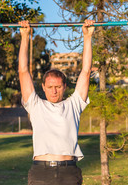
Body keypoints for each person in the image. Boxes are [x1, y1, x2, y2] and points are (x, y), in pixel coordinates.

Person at [18, 19, 95, 185]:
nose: (54, 90)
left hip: (69, 172)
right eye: (50, 86)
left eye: (58, 87)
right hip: (41, 173)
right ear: (43, 87)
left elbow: (86, 71)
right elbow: (23, 71)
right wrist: (25, 37)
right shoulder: (35, 105)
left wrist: (87, 37)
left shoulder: (73, 104)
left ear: (65, 87)